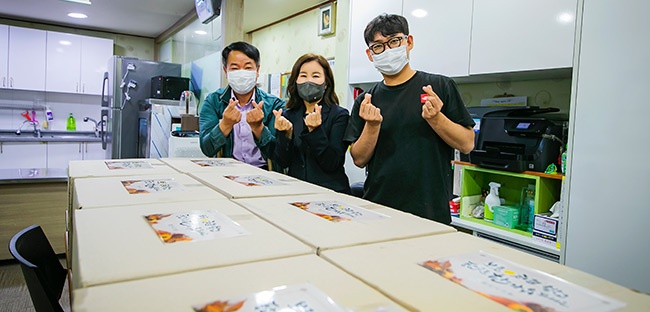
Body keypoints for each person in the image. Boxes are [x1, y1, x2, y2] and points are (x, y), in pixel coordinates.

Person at [344, 14, 475, 224]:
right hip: (379, 207)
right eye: (378, 46)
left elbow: (467, 143)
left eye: (394, 41)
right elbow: (359, 159)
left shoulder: (439, 87)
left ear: (409, 41)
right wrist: (372, 125)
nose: (387, 50)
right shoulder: (365, 101)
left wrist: (436, 119)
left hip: (430, 209)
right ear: (370, 54)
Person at [272, 54, 351, 194]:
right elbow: (282, 162)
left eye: (315, 76)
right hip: (296, 192)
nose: (309, 81)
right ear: (295, 81)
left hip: (331, 193)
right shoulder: (287, 115)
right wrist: (286, 135)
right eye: (303, 76)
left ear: (326, 83)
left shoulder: (339, 115)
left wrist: (315, 131)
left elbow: (332, 163)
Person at [199, 41, 285, 170]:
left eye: (248, 67)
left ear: (257, 70)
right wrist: (225, 124)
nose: (242, 73)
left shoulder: (274, 104)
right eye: (234, 68)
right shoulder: (213, 101)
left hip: (265, 173)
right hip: (226, 173)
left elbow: (279, 154)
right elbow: (207, 149)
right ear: (225, 71)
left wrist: (259, 129)